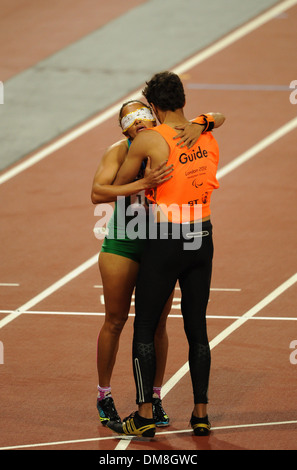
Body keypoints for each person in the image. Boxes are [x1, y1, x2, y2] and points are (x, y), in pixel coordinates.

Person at [91, 98, 225, 429]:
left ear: (154, 116)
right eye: (128, 119)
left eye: (141, 114)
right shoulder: (119, 152)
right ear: (123, 128)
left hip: (161, 245)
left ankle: (153, 398)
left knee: (156, 326)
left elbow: (220, 116)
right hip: (123, 244)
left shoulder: (172, 140)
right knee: (116, 319)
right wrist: (143, 184)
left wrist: (202, 121)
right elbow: (97, 193)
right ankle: (104, 394)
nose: (136, 121)